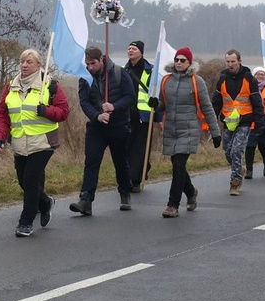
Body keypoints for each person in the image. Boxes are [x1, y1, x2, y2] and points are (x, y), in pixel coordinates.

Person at [0, 49, 70, 237]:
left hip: (43, 142)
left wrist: (46, 111)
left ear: (38, 65)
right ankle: (45, 203)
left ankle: (25, 223)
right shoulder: (10, 86)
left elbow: (63, 111)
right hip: (20, 142)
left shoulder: (50, 85)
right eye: (22, 61)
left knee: (30, 180)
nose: (24, 65)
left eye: (29, 62)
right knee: (23, 181)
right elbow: (2, 114)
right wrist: (0, 136)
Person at [70, 46, 136, 215]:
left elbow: (130, 97)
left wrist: (114, 106)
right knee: (91, 162)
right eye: (87, 64)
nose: (90, 67)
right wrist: (96, 116)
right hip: (96, 127)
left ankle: (125, 192)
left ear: (101, 59)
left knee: (120, 161)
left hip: (119, 126)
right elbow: (84, 102)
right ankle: (86, 200)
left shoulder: (120, 73)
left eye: (93, 63)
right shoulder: (84, 77)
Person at [156, 47, 222, 217]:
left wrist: (215, 133)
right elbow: (162, 104)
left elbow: (207, 107)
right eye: (177, 59)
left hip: (189, 129)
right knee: (178, 166)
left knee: (178, 165)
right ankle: (191, 193)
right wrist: (154, 105)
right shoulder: (166, 80)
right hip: (171, 129)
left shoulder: (196, 81)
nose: (179, 62)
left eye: (182, 60)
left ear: (189, 63)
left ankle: (172, 205)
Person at [212, 49, 265, 195]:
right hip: (228, 121)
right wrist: (210, 122)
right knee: (227, 151)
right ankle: (239, 168)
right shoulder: (222, 79)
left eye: (233, 61)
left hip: (245, 121)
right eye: (228, 62)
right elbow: (216, 102)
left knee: (236, 151)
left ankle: (235, 183)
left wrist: (259, 124)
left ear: (239, 61)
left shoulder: (249, 79)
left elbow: (257, 103)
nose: (230, 64)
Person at [123, 40, 160, 192]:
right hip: (126, 115)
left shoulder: (150, 70)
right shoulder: (123, 70)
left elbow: (155, 91)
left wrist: (155, 104)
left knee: (140, 147)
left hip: (144, 115)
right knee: (126, 147)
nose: (130, 51)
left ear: (141, 52)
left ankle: (136, 179)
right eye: (129, 48)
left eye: (134, 48)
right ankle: (128, 176)